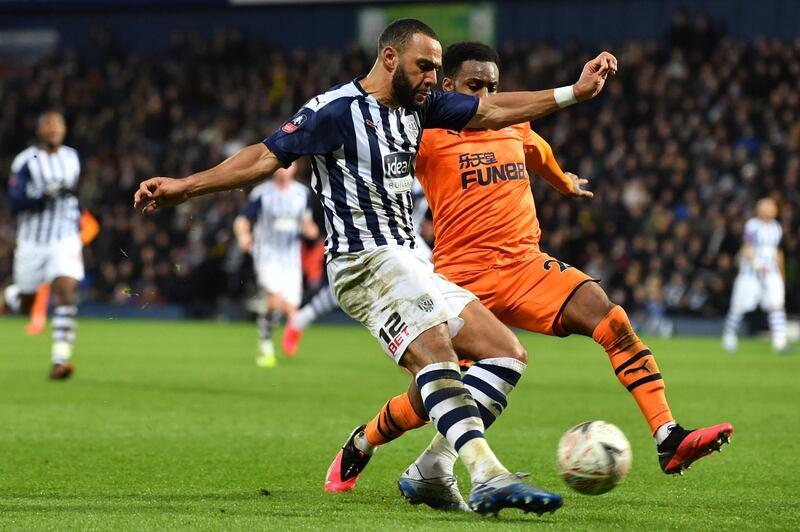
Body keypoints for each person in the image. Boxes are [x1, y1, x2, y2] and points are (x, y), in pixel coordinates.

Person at [134, 18, 618, 516]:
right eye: (424, 66)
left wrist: (574, 93)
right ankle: (488, 475)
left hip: (410, 259)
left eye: (436, 68)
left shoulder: (423, 107)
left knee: (506, 354)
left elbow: (493, 109)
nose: (433, 77)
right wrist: (185, 186)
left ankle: (430, 472)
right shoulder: (334, 111)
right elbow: (264, 157)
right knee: (436, 353)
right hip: (363, 261)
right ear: (390, 58)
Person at [323, 42, 733, 511]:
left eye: (493, 87)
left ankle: (668, 435)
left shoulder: (513, 123)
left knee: (610, 318)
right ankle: (365, 441)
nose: (487, 94)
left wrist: (565, 183)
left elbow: (539, 155)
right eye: (475, 86)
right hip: (460, 278)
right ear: (449, 86)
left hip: (524, 266)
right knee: (432, 393)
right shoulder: (423, 131)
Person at [281, 179, 431, 355]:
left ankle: (416, 334)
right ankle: (414, 335)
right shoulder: (394, 165)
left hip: (408, 236)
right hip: (381, 232)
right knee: (353, 283)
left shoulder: (426, 172)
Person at [4, 110, 84, 379]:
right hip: (33, 240)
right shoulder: (27, 161)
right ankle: (10, 296)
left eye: (58, 124)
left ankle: (60, 359)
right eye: (48, 124)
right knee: (27, 305)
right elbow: (15, 201)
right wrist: (40, 196)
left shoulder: (72, 157)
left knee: (66, 291)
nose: (54, 128)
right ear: (39, 130)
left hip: (65, 236)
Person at [234, 163, 319, 367]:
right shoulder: (262, 194)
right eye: (280, 166)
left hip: (291, 258)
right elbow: (242, 219)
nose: (283, 170)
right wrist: (243, 235)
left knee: (290, 309)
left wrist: (311, 230)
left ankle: (265, 331)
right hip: (267, 255)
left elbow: (306, 221)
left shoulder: (302, 194)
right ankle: (265, 346)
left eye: (287, 166)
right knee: (274, 300)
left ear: (294, 169)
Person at [722, 198, 788, 353]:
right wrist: (758, 264)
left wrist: (781, 274)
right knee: (739, 306)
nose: (770, 210)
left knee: (776, 305)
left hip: (771, 273)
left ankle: (780, 342)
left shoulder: (777, 228)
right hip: (750, 274)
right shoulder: (752, 226)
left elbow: (778, 253)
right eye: (767, 207)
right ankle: (729, 336)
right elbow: (747, 248)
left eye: (772, 207)